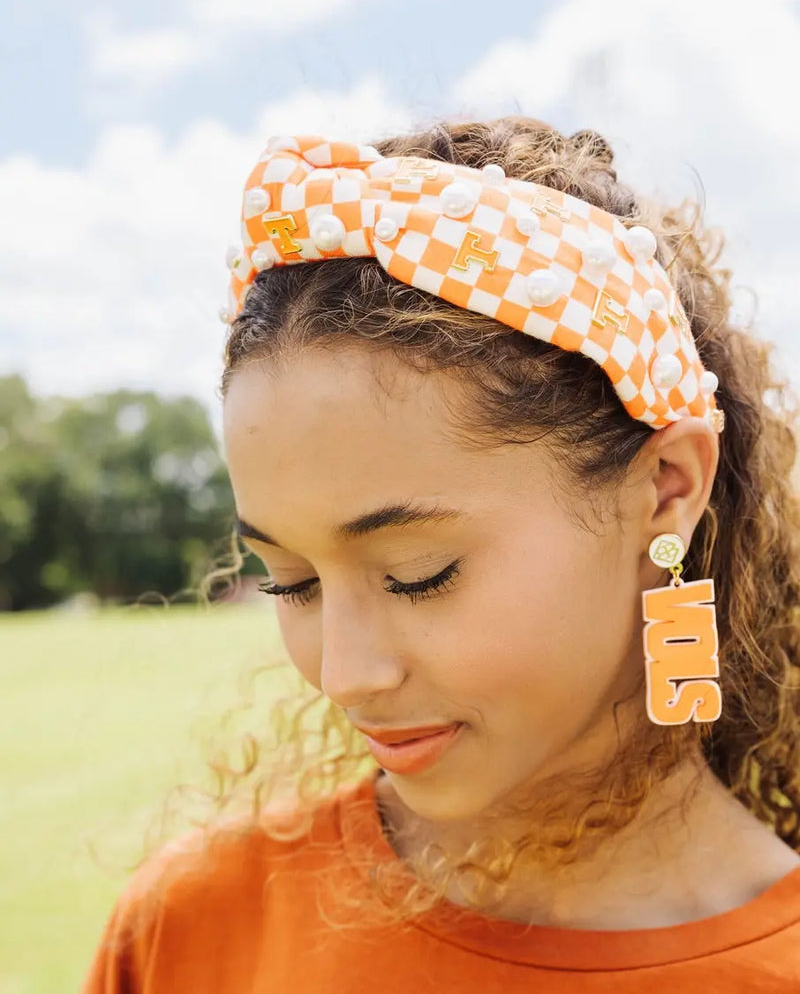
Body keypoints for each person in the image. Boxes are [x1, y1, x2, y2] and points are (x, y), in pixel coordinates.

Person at [81, 117, 800, 991]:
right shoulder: (191, 932)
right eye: (293, 582)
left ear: (668, 487)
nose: (344, 674)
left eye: (419, 574)